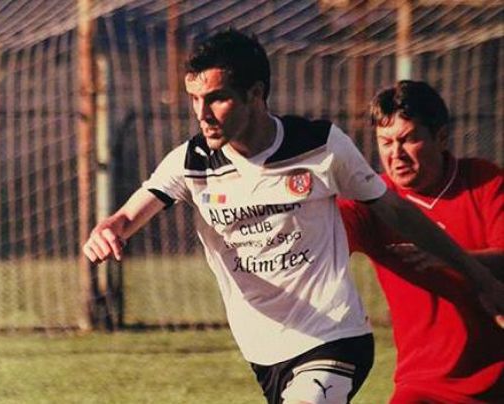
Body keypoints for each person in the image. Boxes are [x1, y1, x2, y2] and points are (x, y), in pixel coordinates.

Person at [83, 30, 503, 404]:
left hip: (334, 337)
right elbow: (127, 216)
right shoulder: (190, 162)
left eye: (217, 98)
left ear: (255, 94)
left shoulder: (320, 146)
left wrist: (478, 276)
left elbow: (398, 211)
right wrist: (109, 230)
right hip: (264, 348)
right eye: (195, 99)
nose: (202, 113)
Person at [339, 80, 504, 403]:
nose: (395, 154)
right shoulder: (373, 202)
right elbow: (321, 239)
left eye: (408, 139)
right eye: (385, 142)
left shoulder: (484, 180)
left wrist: (452, 258)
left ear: (441, 137)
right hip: (421, 386)